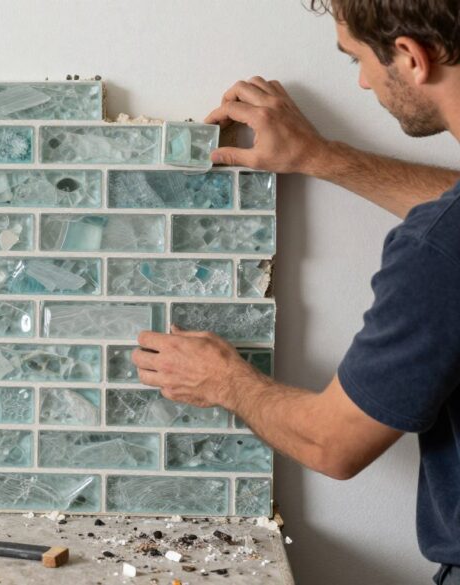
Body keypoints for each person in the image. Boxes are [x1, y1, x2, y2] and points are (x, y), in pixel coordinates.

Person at [130, 1, 460, 582]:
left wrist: (224, 381)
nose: (360, 80)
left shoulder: (434, 253)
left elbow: (333, 443)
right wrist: (322, 157)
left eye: (357, 58)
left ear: (410, 56)